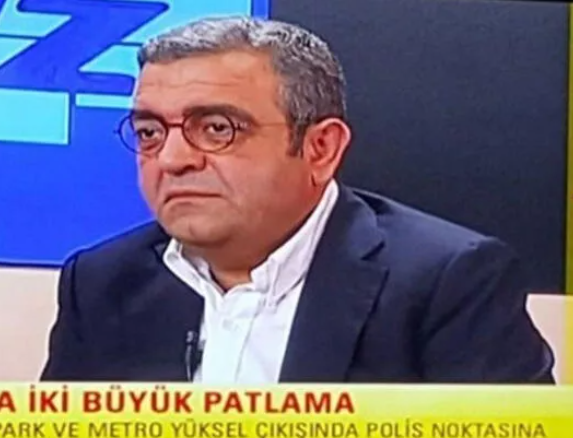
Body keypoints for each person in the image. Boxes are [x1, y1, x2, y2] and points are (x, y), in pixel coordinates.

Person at [40, 16, 554, 383]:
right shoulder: (102, 283)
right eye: (150, 132)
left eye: (217, 128)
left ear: (320, 148)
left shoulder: (448, 284)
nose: (171, 159)